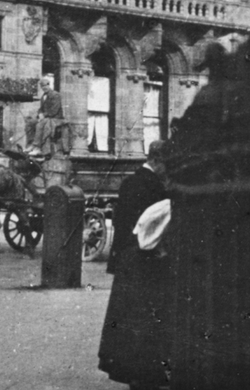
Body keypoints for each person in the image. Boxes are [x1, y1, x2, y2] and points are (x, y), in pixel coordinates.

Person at [98, 140, 172, 390]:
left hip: (128, 259)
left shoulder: (131, 181)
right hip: (144, 260)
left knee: (127, 319)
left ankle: (132, 372)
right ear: (157, 160)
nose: (168, 171)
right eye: (167, 165)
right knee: (142, 320)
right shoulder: (152, 186)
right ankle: (143, 374)